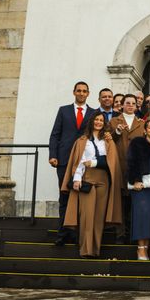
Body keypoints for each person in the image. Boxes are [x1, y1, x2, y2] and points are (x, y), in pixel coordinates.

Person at [60, 112, 122, 258]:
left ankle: (95, 250)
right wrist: (76, 178)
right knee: (87, 215)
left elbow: (111, 162)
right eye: (96, 120)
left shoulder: (108, 140)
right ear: (91, 122)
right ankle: (85, 249)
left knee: (99, 217)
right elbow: (78, 161)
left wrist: (94, 162)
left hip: (103, 180)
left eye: (101, 120)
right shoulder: (82, 141)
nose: (99, 122)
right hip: (86, 178)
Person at [49, 81, 96, 246]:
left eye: (84, 91)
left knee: (81, 197)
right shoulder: (64, 111)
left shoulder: (93, 112)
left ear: (88, 94)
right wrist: (53, 155)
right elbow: (55, 134)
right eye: (79, 91)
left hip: (84, 161)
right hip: (63, 159)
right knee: (64, 196)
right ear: (74, 92)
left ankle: (76, 233)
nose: (81, 93)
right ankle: (62, 233)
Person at [109, 94, 145, 243]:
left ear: (137, 106)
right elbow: (108, 141)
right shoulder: (113, 121)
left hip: (136, 167)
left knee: (134, 201)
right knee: (120, 201)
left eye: (133, 103)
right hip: (119, 165)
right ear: (122, 105)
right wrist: (117, 131)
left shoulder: (142, 123)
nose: (130, 105)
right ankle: (120, 233)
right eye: (127, 103)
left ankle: (133, 233)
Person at [127, 119, 150, 260]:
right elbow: (130, 162)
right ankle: (140, 249)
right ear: (145, 130)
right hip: (140, 186)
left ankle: (146, 248)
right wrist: (134, 180)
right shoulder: (137, 143)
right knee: (142, 215)